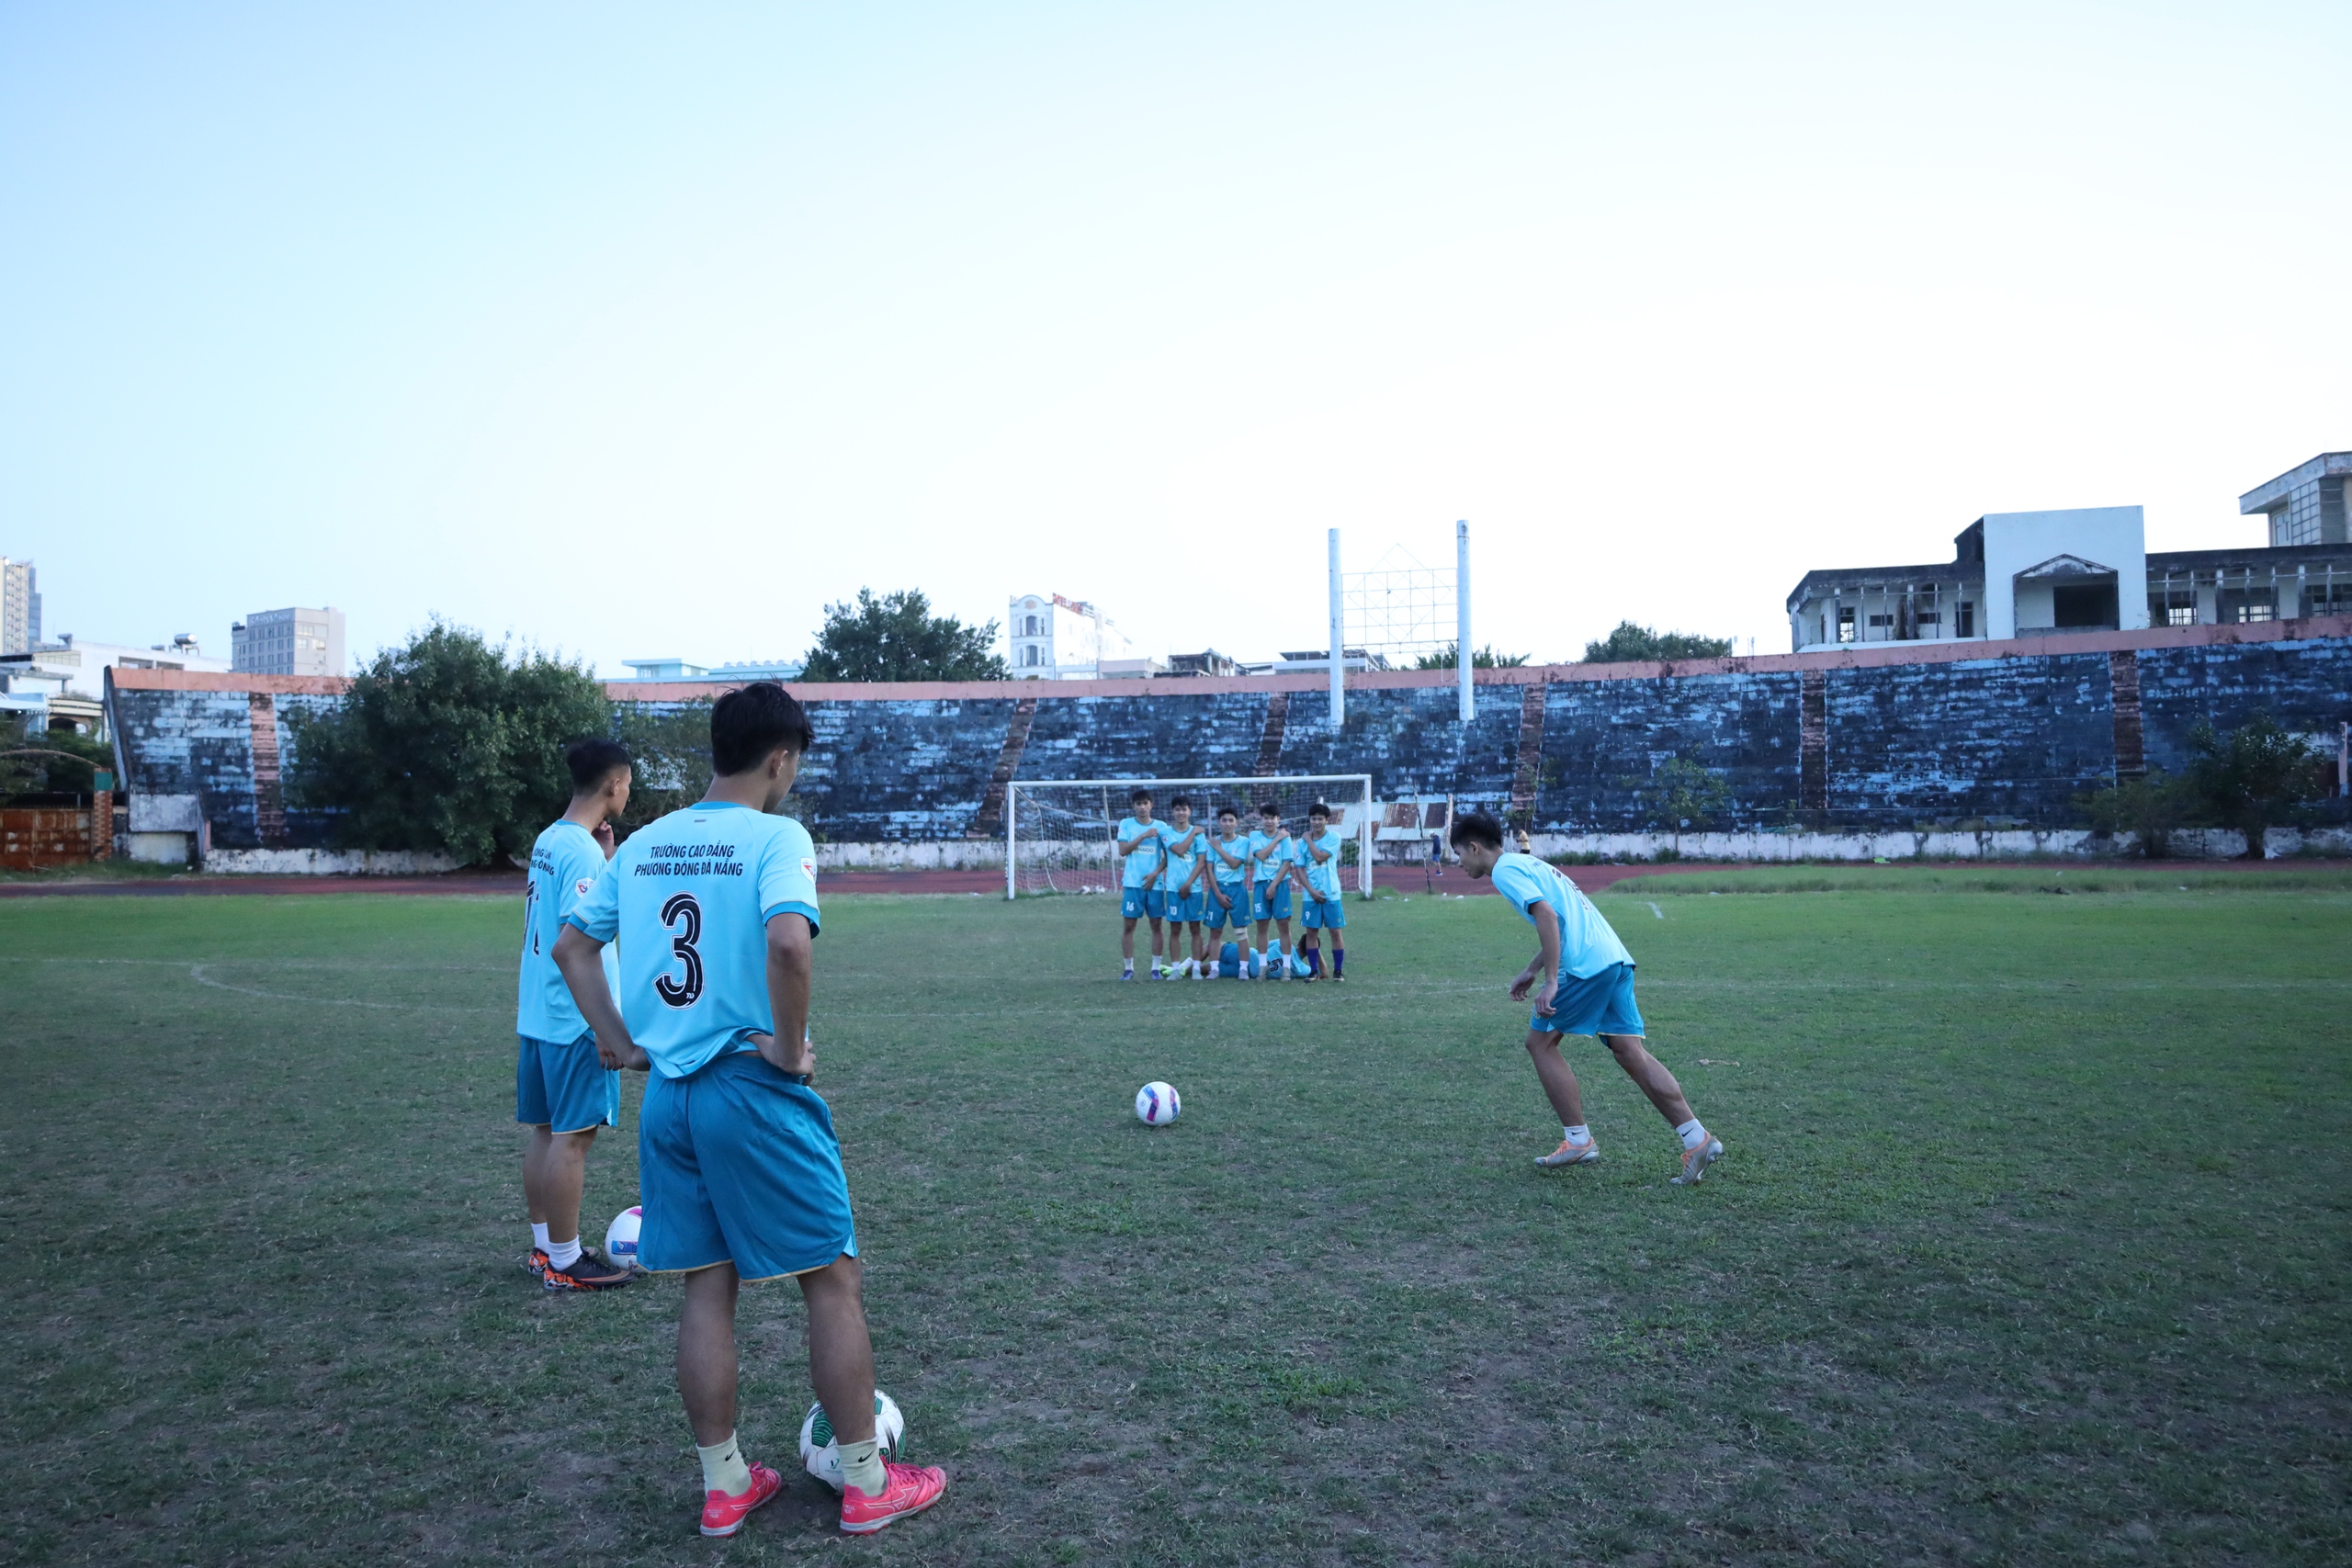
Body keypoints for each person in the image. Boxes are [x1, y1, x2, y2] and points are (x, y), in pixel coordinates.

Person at [552, 682, 946, 1539]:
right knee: (830, 1279)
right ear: (782, 758)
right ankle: (868, 1482)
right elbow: (786, 942)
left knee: (707, 1284)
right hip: (750, 1086)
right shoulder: (776, 835)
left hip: (671, 1095)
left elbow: (572, 946)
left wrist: (619, 1041)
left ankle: (726, 1484)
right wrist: (789, 1047)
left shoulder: (646, 842)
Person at [1448, 808, 1723, 1183]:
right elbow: (1559, 919)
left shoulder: (1505, 871)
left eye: (1459, 854)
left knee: (1540, 1043)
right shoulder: (1530, 864)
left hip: (1584, 967)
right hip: (1614, 959)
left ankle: (1578, 1140)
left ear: (1475, 847)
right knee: (1630, 1051)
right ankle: (1697, 1138)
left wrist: (1550, 982)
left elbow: (1546, 915)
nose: (1460, 863)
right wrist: (1531, 969)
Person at [515, 736, 637, 1292]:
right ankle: (565, 1262)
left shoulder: (553, 838)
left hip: (538, 1016)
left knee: (546, 1133)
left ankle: (546, 1249)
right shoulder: (581, 851)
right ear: (614, 784)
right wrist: (603, 1026)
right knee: (574, 1137)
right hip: (574, 1021)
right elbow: (578, 942)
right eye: (628, 782)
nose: (628, 791)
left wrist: (605, 862)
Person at [1114, 786, 1172, 980]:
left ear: (1151, 805)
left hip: (1154, 884)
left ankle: (1155, 968)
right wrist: (1143, 836)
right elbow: (1123, 850)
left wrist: (1155, 873)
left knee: (1157, 925)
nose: (1142, 807)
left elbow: (1169, 855)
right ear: (1134, 806)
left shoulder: (1161, 826)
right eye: (1138, 804)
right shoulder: (1127, 824)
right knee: (1129, 926)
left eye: (1145, 803)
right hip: (1133, 883)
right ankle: (1128, 968)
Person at [1291, 801, 1347, 982]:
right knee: (1311, 932)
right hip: (1310, 895)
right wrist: (1311, 891)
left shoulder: (1333, 837)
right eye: (1313, 819)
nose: (1316, 822)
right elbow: (1299, 868)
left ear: (1326, 820)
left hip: (1331, 893)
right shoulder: (1301, 843)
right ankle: (1314, 971)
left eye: (1320, 819)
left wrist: (1308, 839)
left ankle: (1338, 972)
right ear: (1309, 820)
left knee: (1335, 932)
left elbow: (1320, 857)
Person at [1159, 795, 1211, 979]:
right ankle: (1175, 969)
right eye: (1177, 809)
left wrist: (1188, 884)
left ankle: (1196, 968)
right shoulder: (1166, 832)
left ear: (1190, 811)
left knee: (1195, 929)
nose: (1181, 812)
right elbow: (1179, 850)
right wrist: (1193, 832)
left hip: (1194, 888)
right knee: (1175, 929)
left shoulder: (1200, 835)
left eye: (1184, 809)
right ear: (1173, 812)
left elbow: (1201, 861)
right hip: (1173, 888)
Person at [1247, 802, 1295, 979]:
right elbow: (1260, 855)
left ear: (1278, 819)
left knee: (1284, 925)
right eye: (1266, 818)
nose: (1269, 821)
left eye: (1272, 818)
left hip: (1280, 885)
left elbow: (1286, 863)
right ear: (1262, 819)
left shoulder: (1287, 838)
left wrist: (1273, 885)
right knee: (1262, 926)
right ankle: (1262, 967)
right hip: (1260, 884)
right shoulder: (1255, 835)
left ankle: (1287, 968)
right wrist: (1276, 839)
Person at [1204, 806, 1252, 976]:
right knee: (1215, 931)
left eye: (1231, 820)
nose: (1227, 824)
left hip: (1237, 889)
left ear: (1236, 823)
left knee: (1241, 931)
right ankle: (1214, 969)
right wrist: (1217, 893)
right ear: (1219, 822)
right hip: (1217, 889)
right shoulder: (1212, 843)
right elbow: (1209, 870)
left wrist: (1218, 848)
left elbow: (1234, 863)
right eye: (1224, 820)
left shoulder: (1243, 842)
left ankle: (1244, 969)